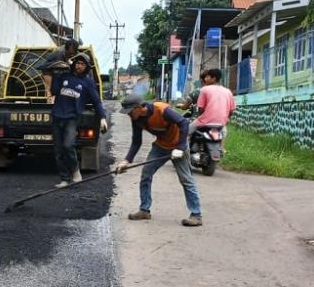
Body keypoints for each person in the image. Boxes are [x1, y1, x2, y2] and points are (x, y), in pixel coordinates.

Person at [116, 92, 203, 227]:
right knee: (146, 174)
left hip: (177, 146)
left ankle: (196, 215)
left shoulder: (162, 110)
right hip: (161, 146)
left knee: (186, 179)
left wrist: (180, 147)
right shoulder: (136, 119)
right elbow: (136, 141)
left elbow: (184, 123)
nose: (129, 114)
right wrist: (126, 160)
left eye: (130, 111)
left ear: (139, 107)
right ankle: (144, 210)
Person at [50, 52, 108, 187]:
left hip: (71, 118)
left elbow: (96, 102)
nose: (79, 66)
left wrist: (102, 118)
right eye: (77, 63)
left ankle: (75, 170)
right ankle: (64, 179)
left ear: (87, 67)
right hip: (57, 116)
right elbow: (54, 91)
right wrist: (56, 74)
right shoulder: (64, 76)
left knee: (68, 145)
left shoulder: (87, 82)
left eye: (82, 64)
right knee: (58, 151)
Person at [188, 68, 236, 136]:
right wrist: (226, 119)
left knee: (186, 131)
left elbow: (200, 109)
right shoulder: (228, 91)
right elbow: (231, 111)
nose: (205, 79)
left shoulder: (204, 89)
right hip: (221, 123)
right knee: (223, 135)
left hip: (205, 122)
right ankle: (222, 146)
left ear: (213, 78)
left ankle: (185, 146)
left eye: (207, 77)